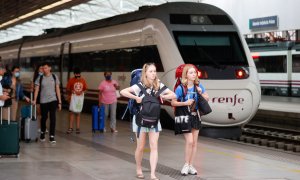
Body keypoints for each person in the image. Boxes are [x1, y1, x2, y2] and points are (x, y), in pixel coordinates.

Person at [120, 63, 176, 180]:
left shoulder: (158, 85)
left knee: (154, 146)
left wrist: (163, 97)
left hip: (154, 120)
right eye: (151, 71)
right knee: (140, 147)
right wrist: (136, 98)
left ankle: (152, 174)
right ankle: (138, 169)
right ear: (145, 73)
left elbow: (173, 94)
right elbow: (123, 92)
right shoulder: (139, 86)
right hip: (140, 120)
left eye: (155, 71)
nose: (153, 73)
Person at [171, 64, 209, 176]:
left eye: (195, 72)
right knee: (190, 141)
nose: (194, 74)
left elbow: (207, 97)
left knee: (194, 143)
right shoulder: (180, 88)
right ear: (186, 75)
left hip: (195, 115)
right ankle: (186, 165)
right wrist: (185, 103)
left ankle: (191, 165)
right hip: (184, 115)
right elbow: (173, 102)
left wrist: (201, 93)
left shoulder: (199, 86)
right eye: (191, 73)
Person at [32, 62, 62, 144]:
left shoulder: (54, 77)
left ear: (49, 68)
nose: (44, 69)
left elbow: (57, 89)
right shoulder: (40, 78)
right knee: (44, 118)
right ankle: (42, 132)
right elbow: (37, 90)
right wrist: (34, 99)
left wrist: (59, 102)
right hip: (43, 101)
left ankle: (52, 136)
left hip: (53, 100)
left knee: (53, 118)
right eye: (43, 68)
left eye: (45, 68)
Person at [66, 67, 87, 134]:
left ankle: (77, 128)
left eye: (78, 74)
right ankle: (70, 128)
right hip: (72, 98)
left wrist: (82, 92)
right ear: (74, 74)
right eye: (76, 74)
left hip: (79, 100)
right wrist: (71, 91)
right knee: (71, 113)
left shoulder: (83, 80)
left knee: (78, 113)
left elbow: (85, 89)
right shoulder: (71, 80)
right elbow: (67, 89)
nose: (78, 75)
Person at [32, 64, 44, 132]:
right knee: (39, 113)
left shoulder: (46, 77)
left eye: (43, 68)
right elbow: (33, 87)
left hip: (44, 97)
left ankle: (43, 127)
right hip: (38, 97)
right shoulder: (36, 78)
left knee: (44, 113)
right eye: (40, 69)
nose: (42, 70)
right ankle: (40, 127)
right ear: (38, 70)